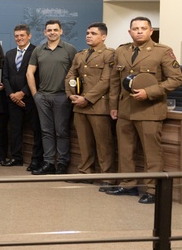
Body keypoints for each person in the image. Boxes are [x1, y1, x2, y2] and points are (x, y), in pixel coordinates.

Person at [108, 17, 182, 204]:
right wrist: (113, 106)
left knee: (152, 152)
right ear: (129, 32)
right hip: (125, 109)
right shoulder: (121, 51)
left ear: (150, 31)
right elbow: (115, 81)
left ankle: (153, 189)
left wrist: (149, 92)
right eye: (135, 28)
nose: (139, 31)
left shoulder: (162, 51)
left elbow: (176, 79)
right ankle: (128, 184)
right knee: (125, 150)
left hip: (150, 109)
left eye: (143, 28)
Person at [64, 23, 115, 187]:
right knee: (84, 143)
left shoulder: (109, 55)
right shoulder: (80, 55)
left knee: (103, 144)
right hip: (79, 106)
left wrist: (86, 98)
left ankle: (107, 177)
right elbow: (70, 76)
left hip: (98, 107)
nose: (88, 36)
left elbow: (106, 81)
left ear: (103, 36)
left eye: (93, 33)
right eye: (87, 33)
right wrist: (72, 94)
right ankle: (85, 172)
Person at [26, 20, 77, 175]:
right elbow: (29, 73)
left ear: (61, 31)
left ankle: (62, 163)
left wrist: (71, 93)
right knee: (46, 131)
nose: (52, 32)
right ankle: (49, 163)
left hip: (62, 97)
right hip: (42, 97)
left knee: (61, 131)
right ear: (45, 32)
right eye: (49, 30)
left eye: (55, 30)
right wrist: (35, 94)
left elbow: (76, 74)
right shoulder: (38, 50)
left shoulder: (70, 49)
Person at [1, 24, 43, 171]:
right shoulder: (9, 54)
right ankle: (16, 158)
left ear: (29, 36)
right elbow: (5, 77)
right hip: (12, 100)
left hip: (30, 98)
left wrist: (23, 93)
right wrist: (12, 94)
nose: (19, 38)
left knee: (37, 130)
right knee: (15, 130)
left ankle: (36, 160)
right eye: (16, 36)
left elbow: (37, 76)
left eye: (22, 35)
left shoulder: (37, 51)